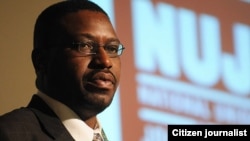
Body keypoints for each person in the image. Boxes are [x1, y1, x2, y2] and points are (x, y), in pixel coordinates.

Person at [0, 0, 125, 141]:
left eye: (112, 49)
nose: (105, 61)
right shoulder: (10, 134)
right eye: (84, 45)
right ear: (41, 61)